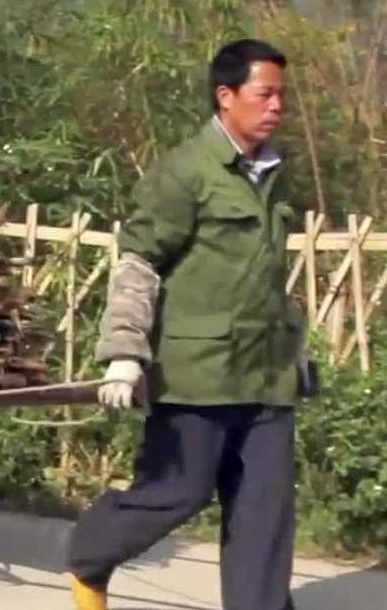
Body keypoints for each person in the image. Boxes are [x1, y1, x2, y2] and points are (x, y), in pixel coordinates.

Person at [65, 39, 314, 610]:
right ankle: (90, 552)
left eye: (282, 96)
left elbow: (265, 278)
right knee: (177, 492)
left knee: (265, 518)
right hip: (196, 375)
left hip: (267, 378)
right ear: (226, 97)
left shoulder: (275, 174)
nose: (277, 107)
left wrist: (295, 347)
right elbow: (138, 263)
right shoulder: (184, 173)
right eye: (264, 94)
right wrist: (124, 352)